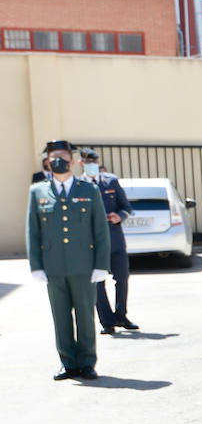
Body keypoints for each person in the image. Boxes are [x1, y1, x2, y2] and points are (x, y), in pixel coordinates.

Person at [26, 139, 111, 381]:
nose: (58, 161)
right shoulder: (38, 191)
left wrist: (101, 265)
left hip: (83, 266)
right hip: (53, 268)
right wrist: (36, 266)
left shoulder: (89, 190)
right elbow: (32, 231)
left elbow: (100, 231)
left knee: (85, 315)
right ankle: (67, 362)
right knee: (60, 317)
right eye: (53, 158)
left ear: (72, 162)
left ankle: (86, 362)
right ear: (47, 162)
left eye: (63, 157)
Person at [81, 148, 138, 335]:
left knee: (122, 278)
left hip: (115, 240)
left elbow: (126, 207)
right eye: (87, 161)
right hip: (92, 244)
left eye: (94, 161)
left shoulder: (111, 181)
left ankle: (121, 315)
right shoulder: (78, 185)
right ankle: (107, 321)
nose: (91, 165)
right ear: (81, 163)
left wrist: (119, 216)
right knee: (97, 283)